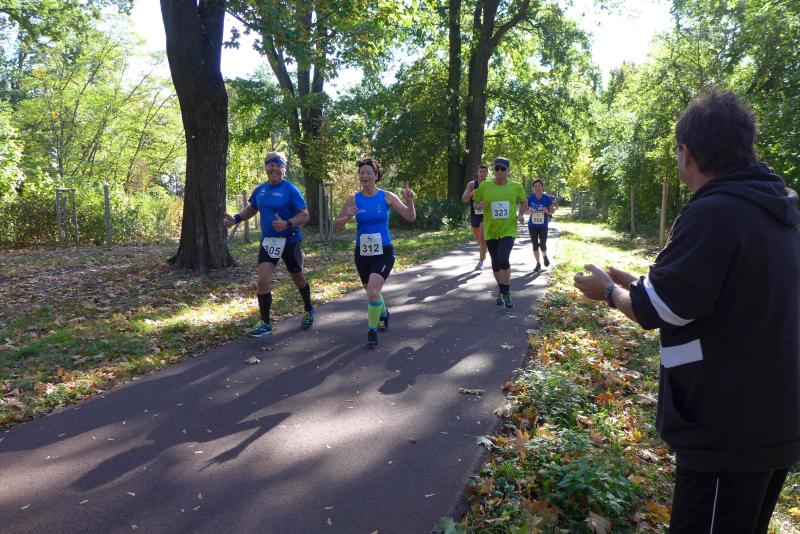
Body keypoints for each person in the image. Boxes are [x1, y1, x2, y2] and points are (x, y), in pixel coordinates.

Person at [573, 89, 800, 533]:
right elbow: (713, 294)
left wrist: (609, 292)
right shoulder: (774, 209)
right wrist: (639, 283)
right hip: (773, 418)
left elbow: (654, 311)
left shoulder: (714, 213)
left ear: (688, 153)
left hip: (726, 430)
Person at [224, 151, 315, 337]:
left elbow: (305, 215)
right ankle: (265, 324)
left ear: (283, 168)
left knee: (298, 278)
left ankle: (308, 308)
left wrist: (287, 223)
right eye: (270, 164)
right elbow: (252, 208)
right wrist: (236, 218)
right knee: (262, 280)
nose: (273, 168)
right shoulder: (260, 190)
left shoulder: (291, 190)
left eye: (277, 165)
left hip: (290, 241)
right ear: (265, 167)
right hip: (269, 241)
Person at [332, 158, 416, 346]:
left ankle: (372, 331)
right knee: (372, 293)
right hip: (362, 253)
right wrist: (347, 216)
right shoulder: (353, 199)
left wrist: (410, 201)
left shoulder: (387, 196)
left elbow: (410, 217)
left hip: (384, 251)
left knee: (372, 290)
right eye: (362, 173)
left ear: (376, 175)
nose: (365, 176)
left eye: (368, 173)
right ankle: (384, 314)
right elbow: (335, 226)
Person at [473, 157, 527, 308]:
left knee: (503, 259)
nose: (499, 171)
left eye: (503, 169)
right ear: (494, 170)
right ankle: (501, 290)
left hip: (508, 229)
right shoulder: (484, 186)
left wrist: (521, 214)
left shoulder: (516, 187)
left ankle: (506, 292)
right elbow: (475, 203)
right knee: (496, 263)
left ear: (508, 171)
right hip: (491, 230)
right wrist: (479, 205)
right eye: (497, 168)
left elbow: (524, 201)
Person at [462, 164, 489, 270]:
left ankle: (481, 261)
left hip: (486, 215)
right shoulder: (472, 184)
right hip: (475, 215)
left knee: (482, 239)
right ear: (477, 173)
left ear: (487, 174)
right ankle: (484, 250)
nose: (482, 173)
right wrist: (471, 193)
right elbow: (463, 199)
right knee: (479, 239)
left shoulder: (490, 185)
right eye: (480, 171)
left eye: (484, 172)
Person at [526, 178, 556, 272]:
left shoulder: (547, 198)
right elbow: (526, 211)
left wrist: (547, 211)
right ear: (533, 189)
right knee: (535, 245)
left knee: (543, 244)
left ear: (542, 188)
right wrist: (529, 211)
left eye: (539, 186)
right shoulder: (530, 198)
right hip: (532, 225)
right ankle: (538, 263)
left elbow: (552, 210)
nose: (537, 188)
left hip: (543, 225)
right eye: (535, 187)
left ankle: (545, 256)